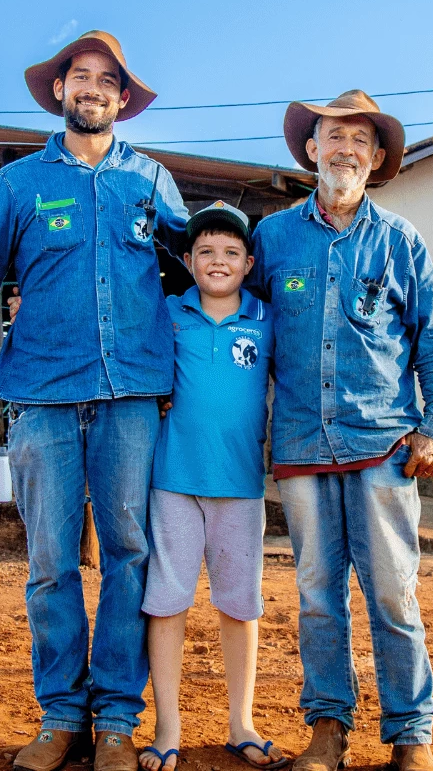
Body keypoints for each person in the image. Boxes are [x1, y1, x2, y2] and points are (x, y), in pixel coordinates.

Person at [0, 30, 188, 771]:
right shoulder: (18, 184)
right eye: (82, 77)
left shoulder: (151, 181)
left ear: (122, 100)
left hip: (133, 395)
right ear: (59, 91)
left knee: (128, 555)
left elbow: (201, 261)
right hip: (41, 397)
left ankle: (115, 716)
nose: (94, 89)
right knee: (51, 562)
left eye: (108, 81)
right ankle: (60, 713)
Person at [247, 91, 433, 771]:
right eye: (333, 136)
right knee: (317, 597)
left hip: (384, 448)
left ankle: (411, 737)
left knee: (394, 594)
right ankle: (327, 732)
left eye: (360, 140)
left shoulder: (401, 242)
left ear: (376, 158)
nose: (345, 149)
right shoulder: (272, 240)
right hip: (302, 449)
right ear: (311, 150)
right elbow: (244, 336)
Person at [139, 203, 289, 771]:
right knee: (168, 602)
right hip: (173, 482)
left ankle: (241, 722)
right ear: (187, 259)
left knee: (240, 605)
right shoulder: (168, 314)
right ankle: (167, 727)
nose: (218, 261)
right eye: (205, 251)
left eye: (230, 252)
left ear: (249, 262)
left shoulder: (267, 319)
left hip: (241, 487)